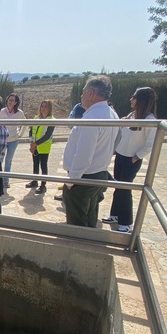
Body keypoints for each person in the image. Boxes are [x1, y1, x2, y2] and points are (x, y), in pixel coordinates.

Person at [62, 75, 119, 227]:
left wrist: (71, 180)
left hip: (83, 178)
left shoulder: (93, 117)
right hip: (97, 174)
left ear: (91, 93)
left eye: (83, 92)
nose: (81, 96)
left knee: (77, 223)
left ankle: (77, 250)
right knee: (90, 217)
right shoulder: (111, 114)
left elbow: (84, 155)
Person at [101, 87, 158, 232]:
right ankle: (115, 214)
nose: (131, 100)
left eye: (134, 97)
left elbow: (151, 143)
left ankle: (127, 222)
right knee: (118, 187)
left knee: (125, 190)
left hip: (131, 159)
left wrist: (137, 156)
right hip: (121, 155)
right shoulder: (133, 115)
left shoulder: (149, 119)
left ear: (142, 100)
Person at [25, 99, 55, 194]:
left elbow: (47, 135)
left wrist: (35, 143)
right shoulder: (36, 118)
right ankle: (35, 181)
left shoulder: (52, 120)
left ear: (49, 108)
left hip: (44, 147)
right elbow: (31, 130)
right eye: (42, 106)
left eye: (46, 106)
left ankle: (43, 185)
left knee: (43, 166)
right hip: (35, 146)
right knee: (35, 164)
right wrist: (31, 142)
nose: (43, 108)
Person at [0, 93, 25, 189]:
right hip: (3, 140)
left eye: (12, 100)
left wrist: (20, 134)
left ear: (16, 102)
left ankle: (6, 180)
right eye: (9, 100)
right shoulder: (2, 112)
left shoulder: (19, 113)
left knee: (8, 160)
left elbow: (25, 123)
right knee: (0, 160)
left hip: (13, 140)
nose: (10, 102)